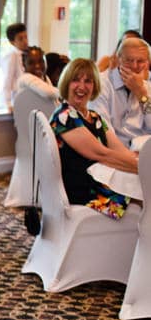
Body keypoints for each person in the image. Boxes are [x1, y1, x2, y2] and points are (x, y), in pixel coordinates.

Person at [51, 58, 138, 219]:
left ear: (95, 86)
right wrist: (142, 168)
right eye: (76, 80)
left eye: (88, 81)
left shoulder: (95, 118)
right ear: (66, 83)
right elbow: (102, 154)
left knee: (143, 193)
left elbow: (120, 151)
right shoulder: (65, 117)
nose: (82, 87)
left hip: (98, 181)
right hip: (81, 190)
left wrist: (141, 162)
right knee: (139, 201)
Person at [89, 37, 151, 147]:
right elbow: (103, 130)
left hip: (143, 152)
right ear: (118, 60)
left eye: (140, 61)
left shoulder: (148, 87)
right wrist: (128, 158)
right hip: (112, 153)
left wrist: (142, 95)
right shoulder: (101, 84)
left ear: (148, 63)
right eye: (129, 60)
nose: (134, 66)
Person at [1, 22, 28, 110]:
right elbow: (7, 81)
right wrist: (8, 103)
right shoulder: (12, 55)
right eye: (20, 39)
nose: (25, 41)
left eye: (26, 37)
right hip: (16, 99)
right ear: (12, 42)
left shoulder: (28, 54)